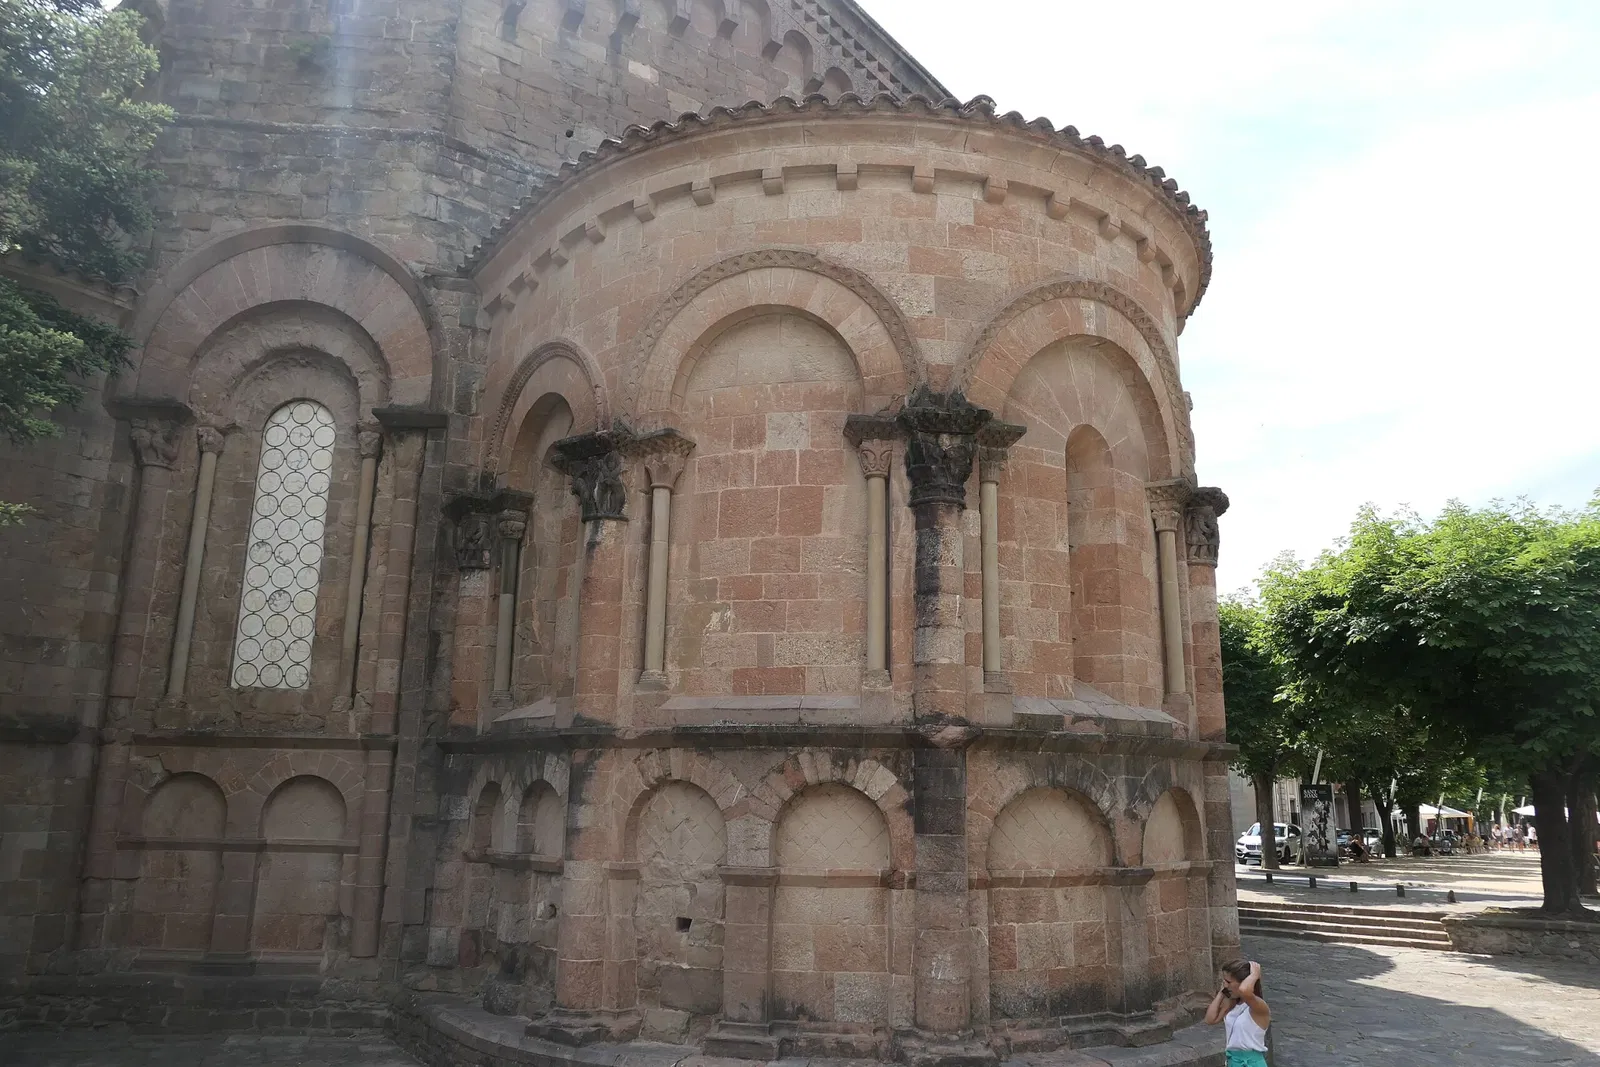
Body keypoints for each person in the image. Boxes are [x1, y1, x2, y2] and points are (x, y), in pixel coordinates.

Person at [1206, 958, 1271, 1067]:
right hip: (1233, 1061)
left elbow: (1245, 991)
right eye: (1224, 981)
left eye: (1229, 982)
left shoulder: (1259, 1007)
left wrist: (1254, 975)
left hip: (1251, 1063)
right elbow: (1210, 1019)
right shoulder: (1233, 1004)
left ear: (1243, 983)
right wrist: (1222, 993)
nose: (1225, 985)